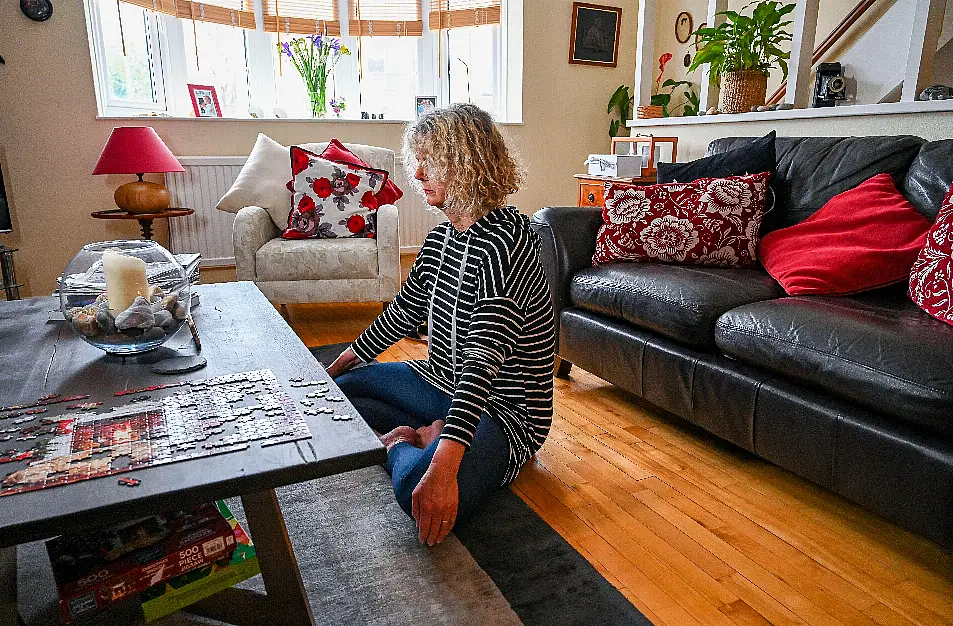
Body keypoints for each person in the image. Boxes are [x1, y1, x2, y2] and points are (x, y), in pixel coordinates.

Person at [328, 103, 555, 547]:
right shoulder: (441, 239)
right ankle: (416, 436)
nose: (417, 174)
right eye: (419, 160)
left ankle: (398, 446)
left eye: (431, 161)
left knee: (418, 488)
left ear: (466, 163)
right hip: (440, 382)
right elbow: (403, 314)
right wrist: (336, 368)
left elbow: (483, 361)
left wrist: (445, 460)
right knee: (335, 399)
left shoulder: (509, 243)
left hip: (503, 411)